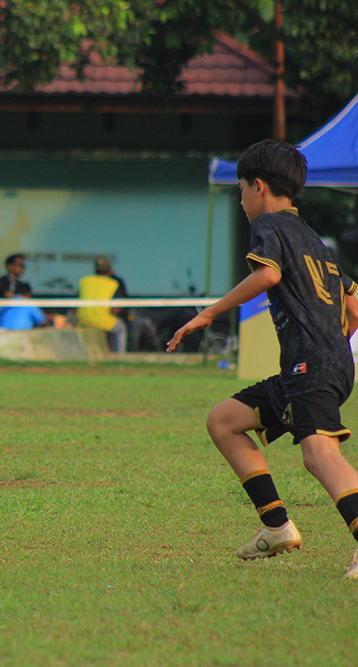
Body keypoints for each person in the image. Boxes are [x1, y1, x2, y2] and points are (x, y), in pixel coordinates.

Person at [167, 139, 358, 578]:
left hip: (310, 365)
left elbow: (267, 273)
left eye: (239, 191)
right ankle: (277, 527)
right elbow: (353, 303)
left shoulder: (269, 224)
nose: (240, 200)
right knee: (224, 421)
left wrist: (209, 312)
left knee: (319, 455)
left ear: (258, 187)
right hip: (321, 365)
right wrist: (333, 340)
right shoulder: (312, 238)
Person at [76, 256, 127, 353]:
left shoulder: (84, 281)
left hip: (83, 320)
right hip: (104, 322)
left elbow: (76, 304)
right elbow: (115, 310)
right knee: (120, 328)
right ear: (110, 271)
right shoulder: (114, 283)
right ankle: (120, 356)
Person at [0, 253, 47, 330]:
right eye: (19, 265)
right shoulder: (3, 280)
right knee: (27, 305)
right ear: (10, 266)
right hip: (4, 315)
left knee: (27, 306)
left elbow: (27, 296)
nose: (22, 268)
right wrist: (19, 297)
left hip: (21, 315)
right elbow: (8, 295)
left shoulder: (22, 283)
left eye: (23, 266)